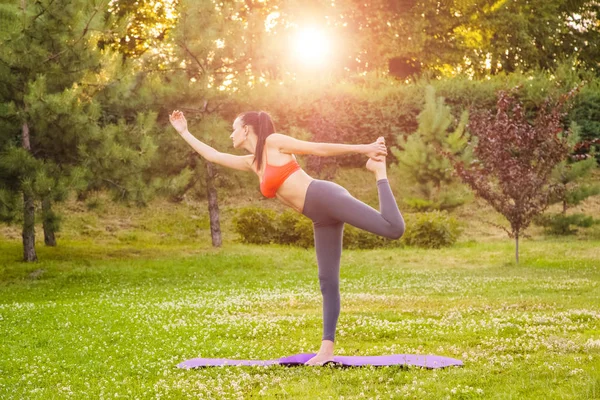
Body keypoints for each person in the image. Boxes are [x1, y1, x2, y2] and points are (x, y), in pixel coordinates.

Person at [169, 109, 405, 366]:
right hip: (319, 217)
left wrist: (365, 148)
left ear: (247, 129)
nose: (231, 133)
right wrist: (184, 132)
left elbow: (317, 148)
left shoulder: (274, 142)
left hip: (325, 196)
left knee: (393, 229)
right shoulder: (252, 162)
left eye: (234, 128)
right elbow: (213, 155)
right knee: (327, 281)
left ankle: (379, 170)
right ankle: (326, 351)